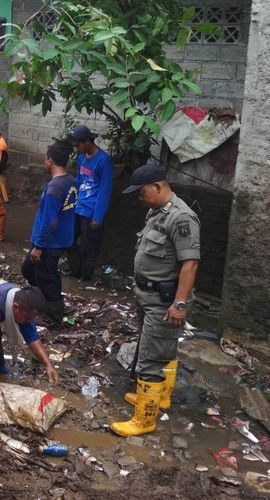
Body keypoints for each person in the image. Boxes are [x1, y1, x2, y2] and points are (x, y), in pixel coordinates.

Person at [111, 165, 200, 437]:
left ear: (158, 186)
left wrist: (180, 303)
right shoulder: (157, 211)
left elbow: (191, 263)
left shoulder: (182, 217)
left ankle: (144, 419)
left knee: (151, 356)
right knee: (160, 348)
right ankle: (159, 398)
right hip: (149, 297)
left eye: (142, 192)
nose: (140, 198)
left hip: (165, 302)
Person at [0, 271, 60, 383]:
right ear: (15, 307)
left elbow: (32, 337)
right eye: (27, 318)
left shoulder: (21, 299)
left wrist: (48, 365)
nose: (28, 321)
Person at [21, 140, 78, 322]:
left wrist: (39, 246)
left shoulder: (55, 188)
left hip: (49, 242)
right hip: (58, 239)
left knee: (47, 276)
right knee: (29, 268)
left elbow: (50, 222)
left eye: (45, 159)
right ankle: (44, 301)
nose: (44, 162)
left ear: (50, 160)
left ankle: (54, 314)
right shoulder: (71, 180)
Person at [65, 124, 113, 281]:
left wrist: (98, 216)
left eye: (78, 144)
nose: (76, 148)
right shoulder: (81, 158)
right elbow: (79, 181)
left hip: (91, 211)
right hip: (78, 207)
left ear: (87, 141)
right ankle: (76, 270)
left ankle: (85, 276)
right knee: (69, 239)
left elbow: (104, 190)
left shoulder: (103, 161)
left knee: (89, 246)